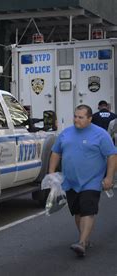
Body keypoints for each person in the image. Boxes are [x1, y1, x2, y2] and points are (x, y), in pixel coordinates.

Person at [49, 104, 117, 257]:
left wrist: (109, 177)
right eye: (75, 116)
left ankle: (81, 243)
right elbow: (55, 152)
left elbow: (112, 155)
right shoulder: (66, 133)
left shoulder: (101, 134)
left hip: (92, 181)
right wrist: (51, 173)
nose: (76, 120)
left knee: (88, 209)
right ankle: (84, 239)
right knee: (78, 212)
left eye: (80, 117)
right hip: (70, 181)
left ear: (89, 119)